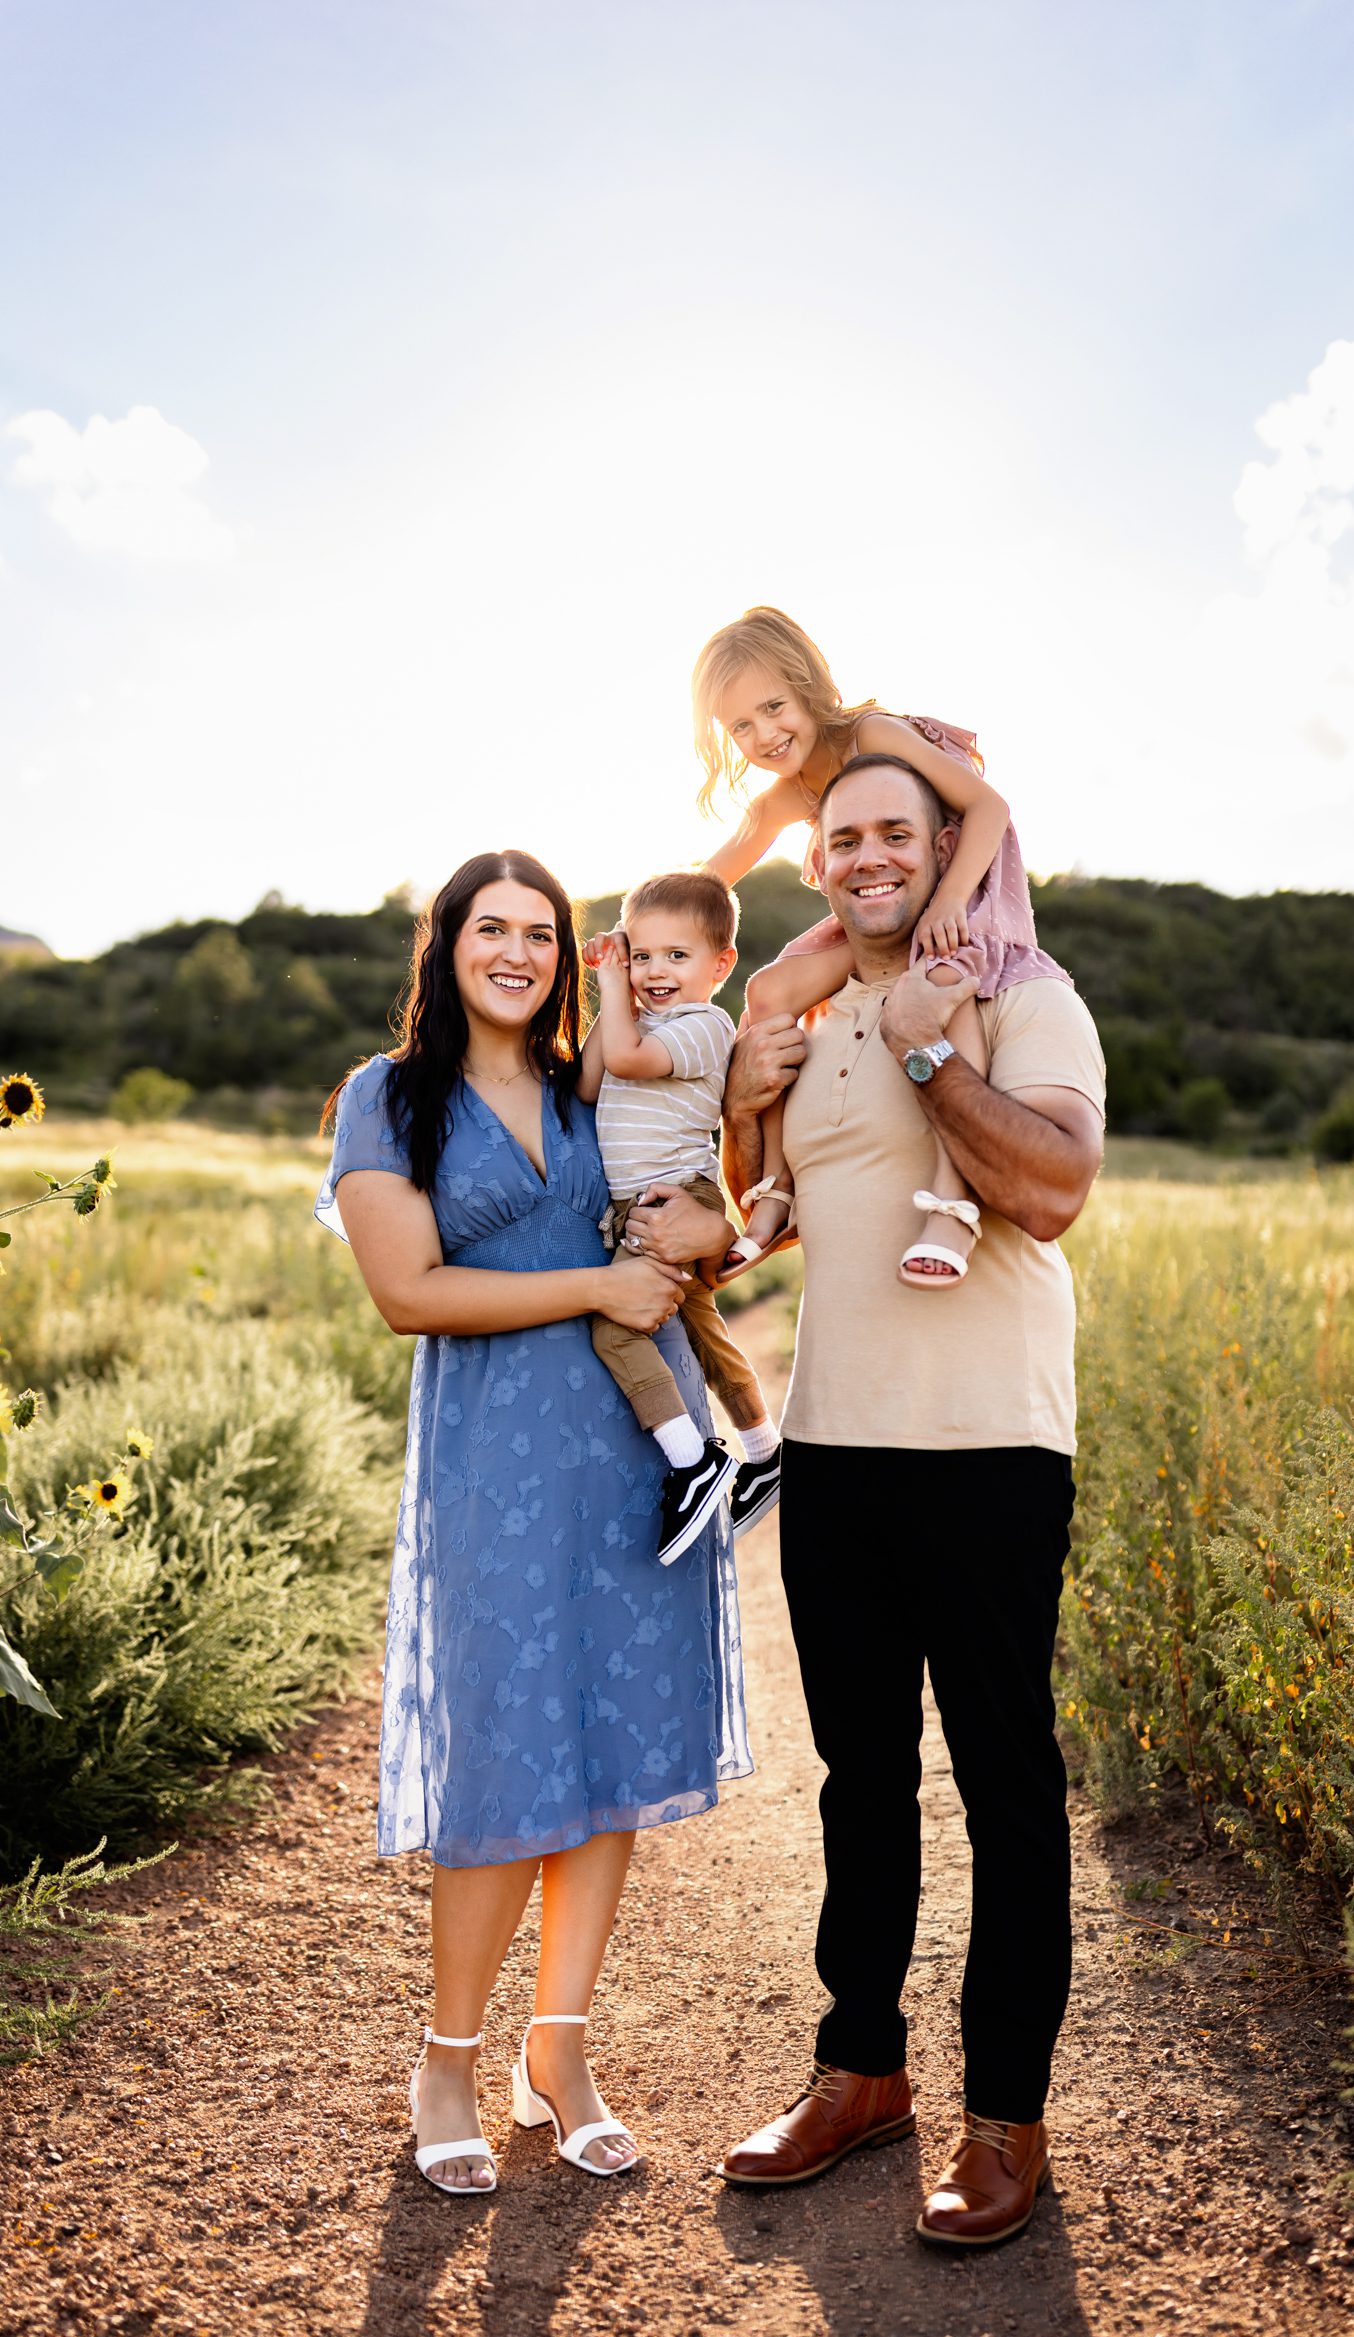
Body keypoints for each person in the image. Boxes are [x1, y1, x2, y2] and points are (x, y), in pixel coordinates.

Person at [712, 755, 1105, 2248]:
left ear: (944, 847)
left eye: (899, 832)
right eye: (845, 836)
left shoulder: (1023, 990)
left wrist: (938, 1053)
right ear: (820, 864)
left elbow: (1058, 1186)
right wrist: (746, 1112)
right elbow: (756, 1231)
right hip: (838, 1451)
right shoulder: (805, 1029)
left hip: (995, 1449)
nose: (871, 855)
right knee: (859, 1779)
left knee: (1007, 1790)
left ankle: (1006, 2117)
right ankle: (860, 2068)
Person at [316, 850, 750, 2198]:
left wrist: (714, 1234)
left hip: (634, 1449)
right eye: (491, 927)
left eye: (542, 933)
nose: (517, 951)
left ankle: (555, 2053)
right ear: (446, 943)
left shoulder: (594, 1079)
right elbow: (409, 1290)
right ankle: (447, 2056)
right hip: (495, 1458)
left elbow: (696, 1182)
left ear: (574, 954)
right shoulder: (388, 1097)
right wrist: (599, 1284)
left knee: (611, 1747)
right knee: (506, 1759)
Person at [691, 604, 1072, 1288]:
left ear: (809, 684)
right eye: (740, 726)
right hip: (881, 915)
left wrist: (952, 897)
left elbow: (990, 808)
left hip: (957, 891)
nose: (764, 734)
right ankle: (776, 1191)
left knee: (940, 981)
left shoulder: (874, 733)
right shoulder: (788, 793)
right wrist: (644, 927)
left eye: (774, 707)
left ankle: (952, 1202)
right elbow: (712, 875)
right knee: (767, 991)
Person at [579, 869, 783, 1564]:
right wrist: (612, 985)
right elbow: (586, 1080)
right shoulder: (638, 1019)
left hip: (674, 1201)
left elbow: (628, 1061)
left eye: (677, 955)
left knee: (615, 1330)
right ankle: (763, 1450)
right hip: (649, 1204)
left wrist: (614, 989)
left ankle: (692, 1462)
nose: (653, 971)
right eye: (641, 954)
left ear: (720, 965)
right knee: (703, 1331)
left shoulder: (704, 1025)